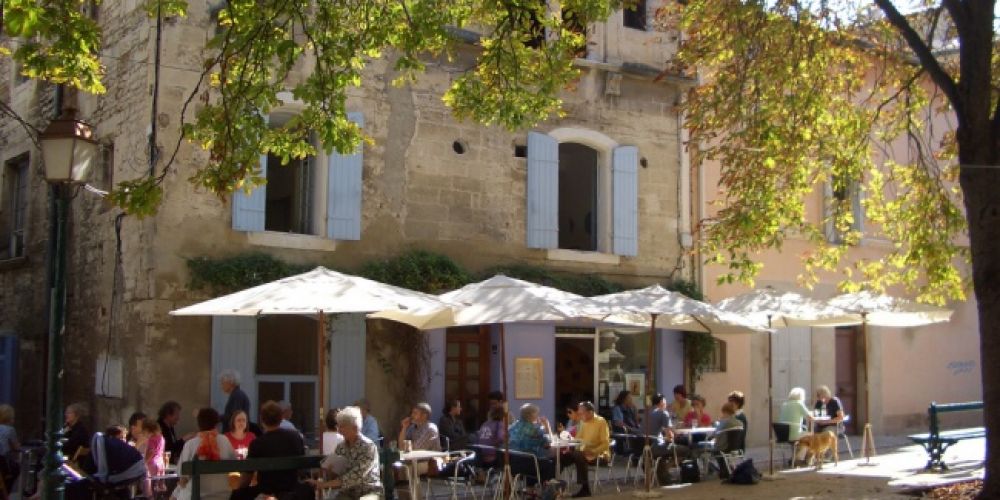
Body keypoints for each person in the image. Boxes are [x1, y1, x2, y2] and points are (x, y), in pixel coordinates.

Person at [231, 401, 312, 500]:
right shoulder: (295, 437)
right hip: (291, 490)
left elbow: (246, 479)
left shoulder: (257, 443)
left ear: (262, 420)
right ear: (280, 418)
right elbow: (302, 468)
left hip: (266, 490)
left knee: (236, 495)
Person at [309, 406, 382, 500]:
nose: (339, 430)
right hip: (347, 492)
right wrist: (330, 471)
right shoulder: (340, 447)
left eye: (343, 426)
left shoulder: (369, 447)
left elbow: (355, 476)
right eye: (338, 426)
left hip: (369, 492)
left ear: (355, 428)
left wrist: (324, 485)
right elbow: (335, 475)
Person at [172, 408, 237, 500]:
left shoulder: (190, 444)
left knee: (176, 493)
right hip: (222, 495)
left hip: (194, 496)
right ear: (217, 424)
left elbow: (183, 479)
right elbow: (235, 469)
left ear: (198, 424)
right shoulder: (225, 441)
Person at [561, 402, 609, 498]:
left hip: (599, 455)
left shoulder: (601, 421)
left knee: (579, 455)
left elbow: (605, 443)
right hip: (583, 453)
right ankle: (554, 484)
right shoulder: (583, 422)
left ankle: (585, 488)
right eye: (579, 413)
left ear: (590, 412)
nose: (580, 415)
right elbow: (578, 439)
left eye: (581, 413)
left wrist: (594, 451)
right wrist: (569, 442)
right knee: (562, 456)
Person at [507, 404, 556, 482]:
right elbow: (548, 444)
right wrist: (547, 426)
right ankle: (545, 488)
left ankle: (530, 488)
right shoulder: (535, 430)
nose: (538, 415)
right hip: (527, 464)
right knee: (550, 463)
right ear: (531, 415)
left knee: (535, 459)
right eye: (537, 413)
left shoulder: (512, 427)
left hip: (512, 463)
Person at [139, 419, 166, 497]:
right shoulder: (161, 438)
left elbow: (151, 452)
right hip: (160, 463)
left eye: (143, 431)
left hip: (152, 464)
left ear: (147, 430)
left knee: (150, 488)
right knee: (157, 488)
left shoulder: (151, 439)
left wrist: (144, 462)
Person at [219, 369, 251, 433]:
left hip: (234, 435)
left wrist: (213, 417)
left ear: (230, 382)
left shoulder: (237, 396)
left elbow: (233, 416)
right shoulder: (238, 395)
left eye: (222, 383)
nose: (221, 386)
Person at [0, 404, 21, 498]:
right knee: (16, 468)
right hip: (2, 461)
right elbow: (16, 448)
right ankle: (6, 493)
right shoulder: (10, 430)